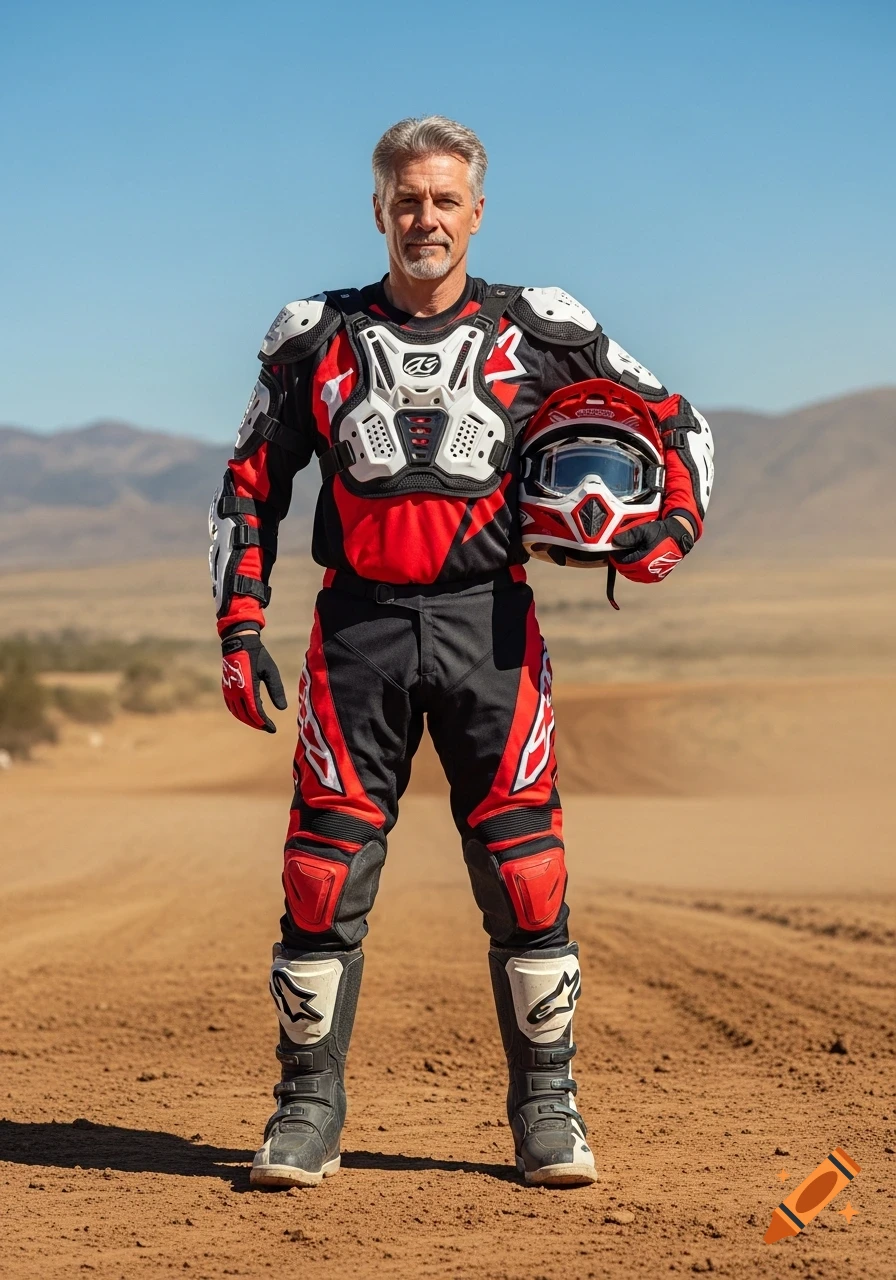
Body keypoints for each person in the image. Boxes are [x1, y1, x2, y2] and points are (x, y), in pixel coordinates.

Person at [208, 115, 714, 1190]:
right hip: (356, 634)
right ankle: (305, 1107)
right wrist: (238, 628)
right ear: (378, 210)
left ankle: (546, 1106)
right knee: (319, 870)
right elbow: (250, 483)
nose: (423, 218)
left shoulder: (542, 329)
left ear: (476, 211)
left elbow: (681, 429)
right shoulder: (313, 337)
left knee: (527, 869)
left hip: (492, 627)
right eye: (405, 199)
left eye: (443, 200)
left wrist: (664, 536)